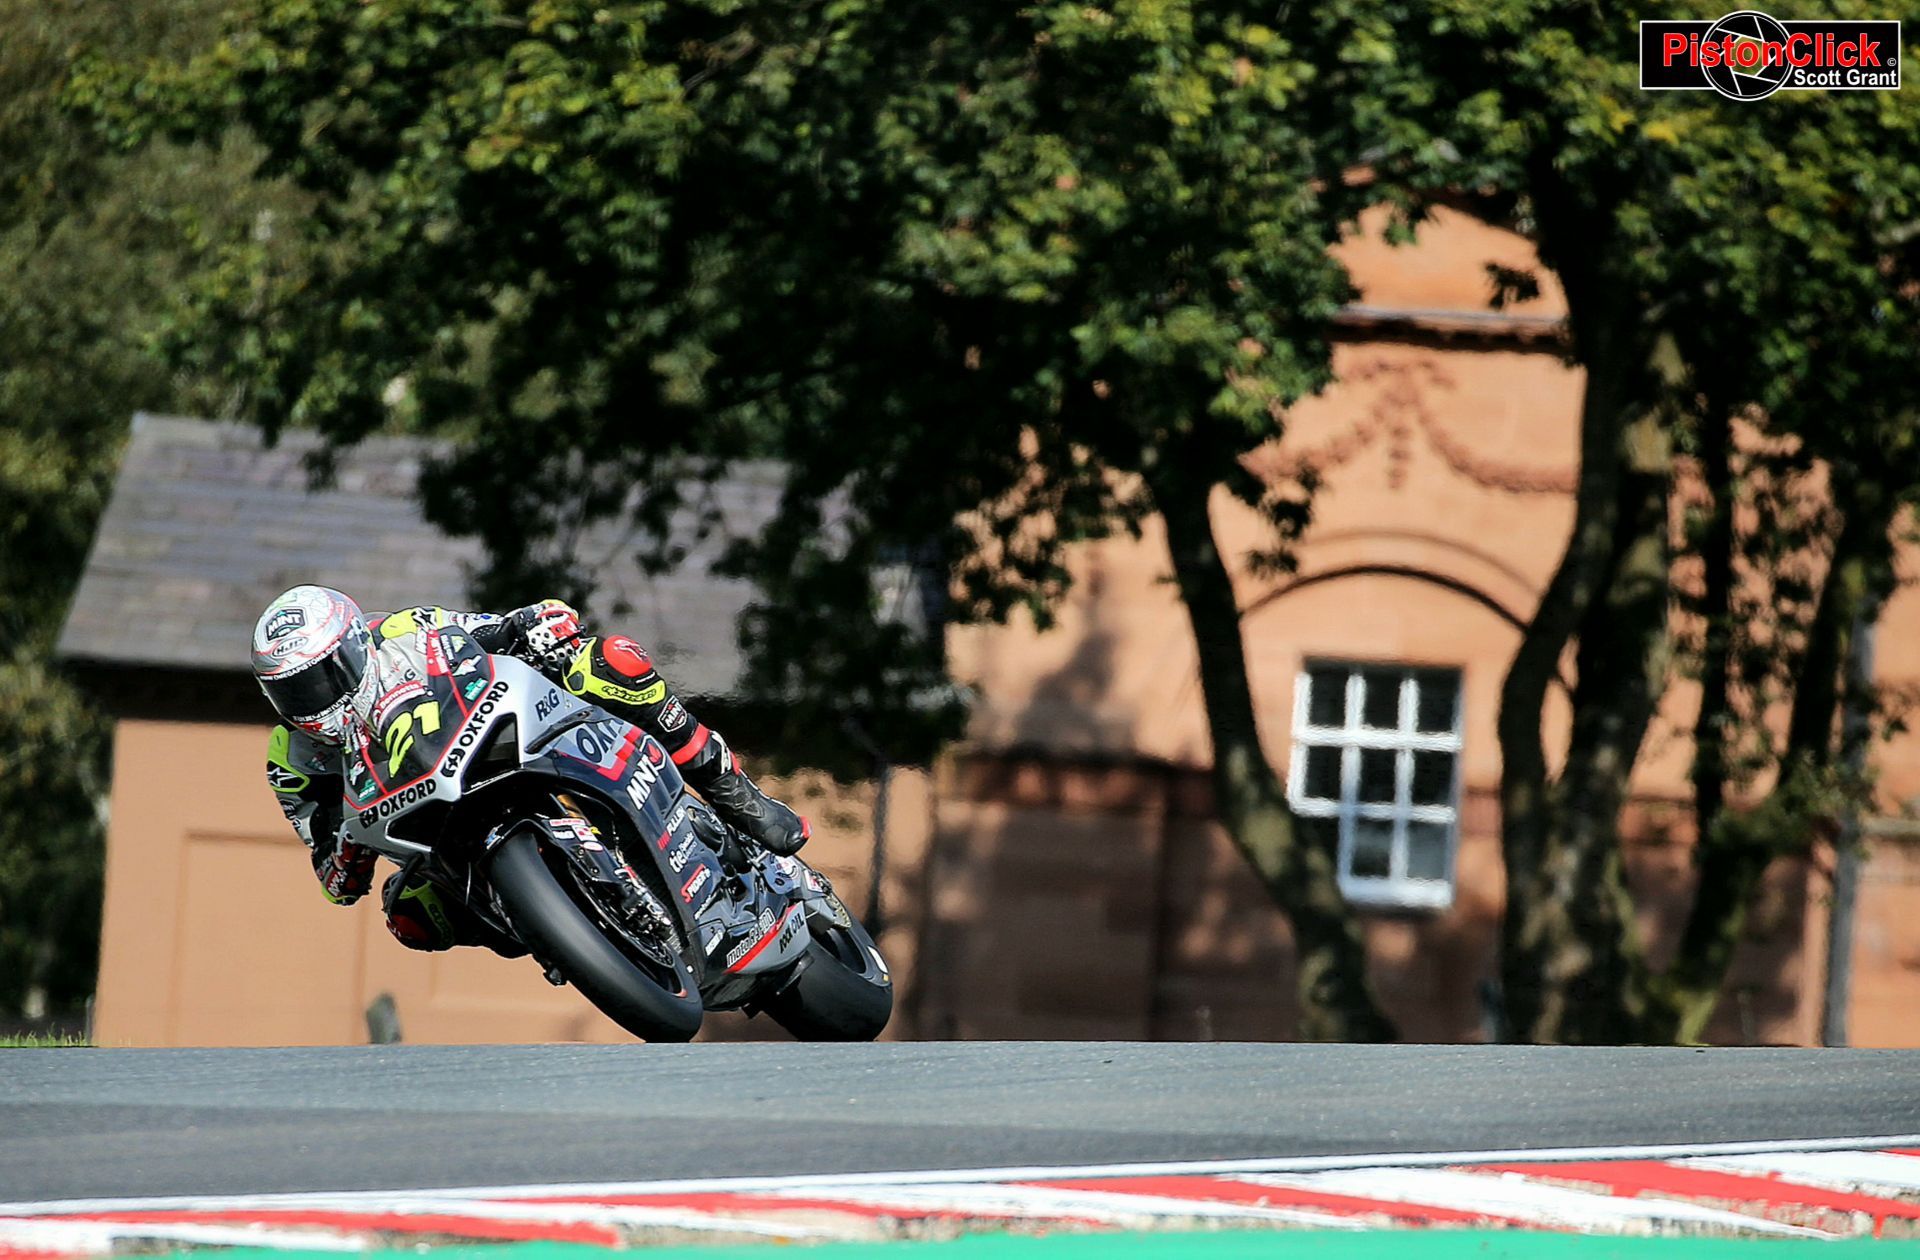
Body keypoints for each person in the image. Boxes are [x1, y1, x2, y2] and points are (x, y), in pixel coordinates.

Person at [251, 584, 808, 954]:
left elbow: (495, 630)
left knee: (612, 660)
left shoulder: (401, 632)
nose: (311, 701)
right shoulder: (292, 759)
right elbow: (331, 875)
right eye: (292, 691)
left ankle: (730, 789)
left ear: (353, 645)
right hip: (430, 822)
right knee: (411, 915)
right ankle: (558, 929)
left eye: (321, 678)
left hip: (493, 738)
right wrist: (346, 853)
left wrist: (534, 624)